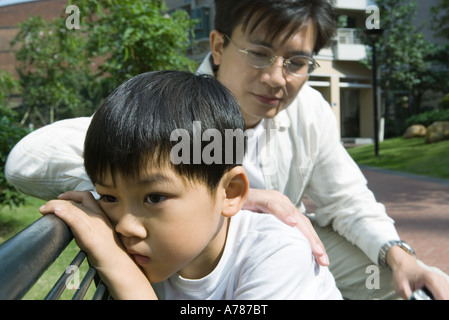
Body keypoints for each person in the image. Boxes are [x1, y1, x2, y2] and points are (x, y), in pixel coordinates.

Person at [5, 0, 449, 299]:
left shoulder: (309, 109)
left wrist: (398, 254)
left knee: (400, 279)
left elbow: (348, 200)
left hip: (281, 249)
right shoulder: (173, 113)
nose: (278, 78)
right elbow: (27, 161)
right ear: (218, 46)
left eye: (296, 63)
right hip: (201, 256)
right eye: (259, 53)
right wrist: (224, 194)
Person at [39, 70, 343, 299]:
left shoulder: (276, 253)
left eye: (154, 197)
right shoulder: (161, 251)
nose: (124, 227)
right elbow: (27, 161)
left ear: (229, 192)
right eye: (108, 197)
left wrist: (119, 267)